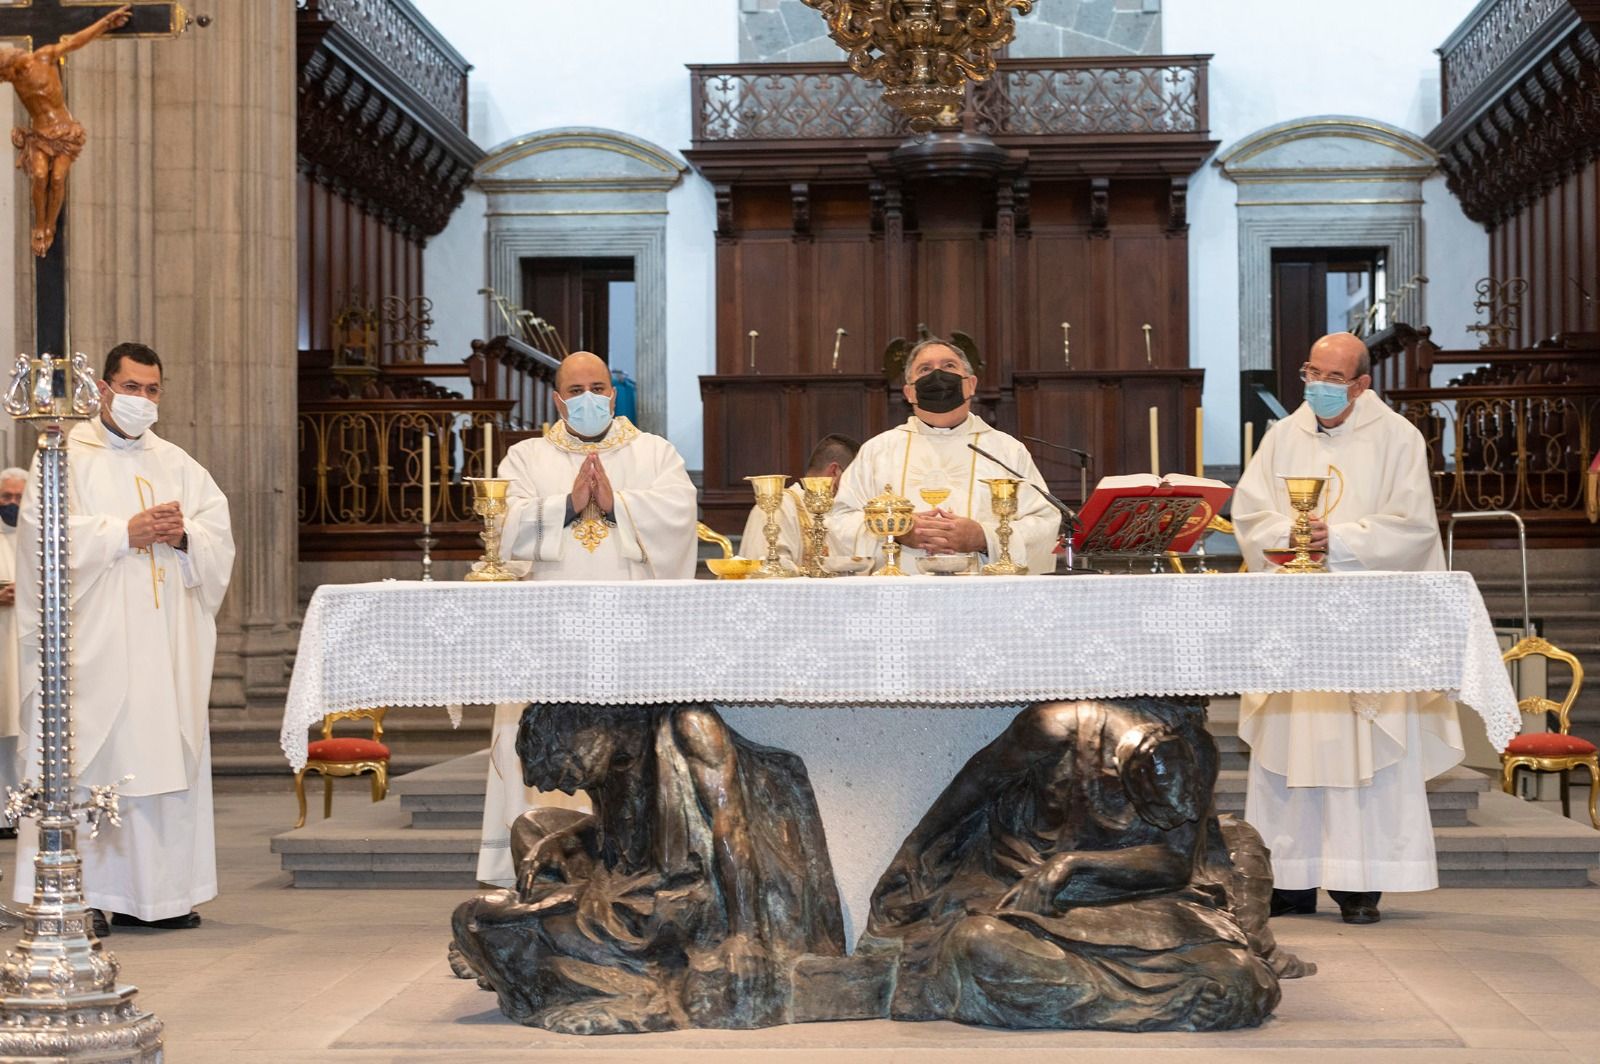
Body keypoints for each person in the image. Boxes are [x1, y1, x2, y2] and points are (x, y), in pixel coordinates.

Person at [859, 699, 1284, 1031]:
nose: (1171, 820)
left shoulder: (1194, 747)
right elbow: (979, 780)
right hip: (1045, 903)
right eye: (1152, 809)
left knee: (1241, 977)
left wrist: (1075, 864)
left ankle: (1133, 996)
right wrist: (916, 845)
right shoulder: (1053, 726)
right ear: (1126, 768)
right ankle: (1168, 1001)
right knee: (977, 943)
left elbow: (1174, 863)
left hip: (1151, 901)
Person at [1231, 331, 1460, 925]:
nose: (1318, 387)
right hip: (1295, 614)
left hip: (1366, 619)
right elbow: (1251, 514)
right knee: (1291, 745)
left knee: (1366, 745)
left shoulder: (1397, 438)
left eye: (1334, 379)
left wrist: (1342, 540)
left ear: (1361, 384)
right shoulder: (1283, 436)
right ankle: (1289, 879)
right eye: (1312, 372)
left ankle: (1361, 881)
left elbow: (1413, 526)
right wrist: (1291, 536)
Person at [12, 342, 234, 935]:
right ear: (104, 389)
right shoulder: (63, 456)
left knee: (162, 755)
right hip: (95, 645)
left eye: (153, 390)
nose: (142, 400)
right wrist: (121, 533)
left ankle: (159, 896)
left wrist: (185, 537)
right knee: (93, 756)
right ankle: (81, 894)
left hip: (164, 648)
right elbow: (40, 537)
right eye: (131, 387)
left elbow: (218, 537)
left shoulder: (178, 464)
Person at [450, 702, 846, 1034]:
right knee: (533, 829)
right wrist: (566, 840)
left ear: (586, 731)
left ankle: (601, 972)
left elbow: (732, 825)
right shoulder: (609, 752)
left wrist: (744, 934)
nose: (569, 790)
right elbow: (632, 822)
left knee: (480, 918)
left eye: (567, 772)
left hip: (671, 900)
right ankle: (538, 937)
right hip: (626, 881)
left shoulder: (688, 728)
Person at [475, 351, 697, 885]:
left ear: (613, 395)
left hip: (634, 631)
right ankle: (542, 864)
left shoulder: (655, 452)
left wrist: (619, 502)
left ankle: (637, 858)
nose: (588, 398)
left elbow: (679, 517)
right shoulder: (526, 458)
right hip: (552, 632)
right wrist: (567, 506)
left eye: (598, 387)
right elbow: (500, 533)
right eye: (575, 391)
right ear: (557, 399)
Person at [831, 340, 1057, 572]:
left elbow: (1044, 522)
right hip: (899, 596)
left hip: (983, 596)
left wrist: (984, 537)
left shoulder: (1005, 451)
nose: (937, 375)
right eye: (925, 369)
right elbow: (839, 521)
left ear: (971, 385)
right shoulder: (878, 451)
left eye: (949, 366)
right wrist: (896, 531)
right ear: (909, 392)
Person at [0, 4, 132, 256]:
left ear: (9, 67)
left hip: (65, 131)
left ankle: (50, 226)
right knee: (39, 176)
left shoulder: (44, 56)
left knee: (58, 178)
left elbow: (75, 42)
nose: (4, 79)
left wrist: (105, 23)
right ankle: (39, 226)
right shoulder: (14, 78)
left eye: (3, 74)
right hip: (39, 134)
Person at [736, 433, 859, 565]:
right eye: (856, 479)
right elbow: (769, 571)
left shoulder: (841, 515)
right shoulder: (779, 506)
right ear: (835, 472)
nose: (858, 488)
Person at [0, 467, 25, 840]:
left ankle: (24, 811)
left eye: (20, 498)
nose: (13, 504)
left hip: (29, 651)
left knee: (26, 730)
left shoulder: (42, 535)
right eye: (6, 497)